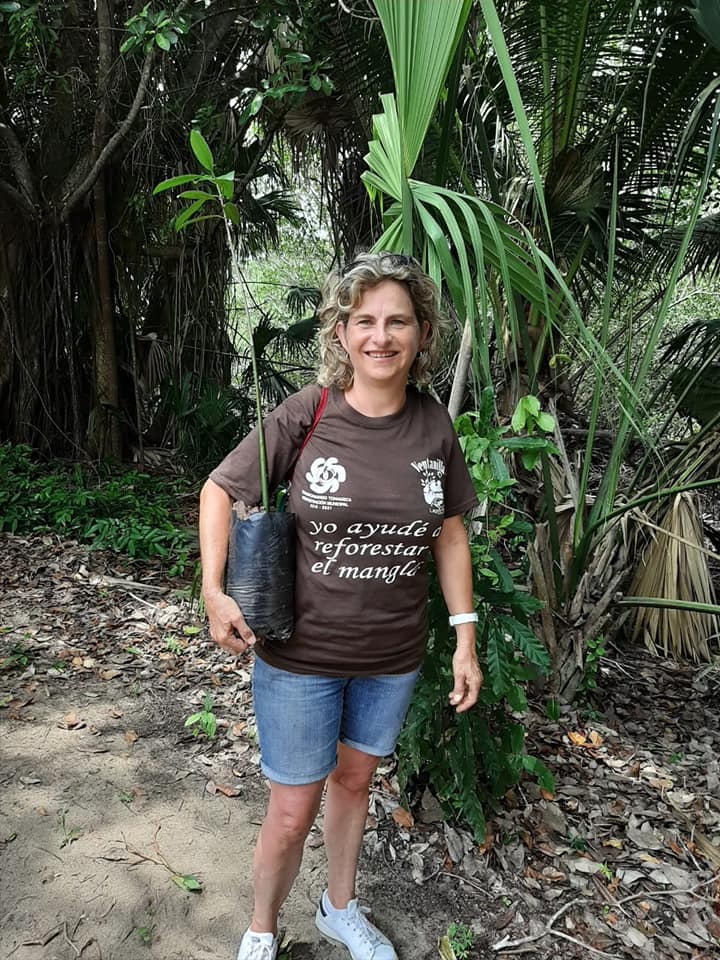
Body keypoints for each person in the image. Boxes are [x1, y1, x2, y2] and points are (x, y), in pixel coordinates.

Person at [199, 252, 483, 960]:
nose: (380, 336)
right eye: (365, 321)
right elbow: (219, 489)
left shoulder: (433, 429)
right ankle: (262, 928)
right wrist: (213, 589)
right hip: (301, 658)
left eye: (398, 321)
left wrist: (464, 636)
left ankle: (338, 908)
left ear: (422, 335)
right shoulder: (308, 414)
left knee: (355, 783)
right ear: (342, 333)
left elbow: (449, 534)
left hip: (390, 658)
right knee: (293, 811)